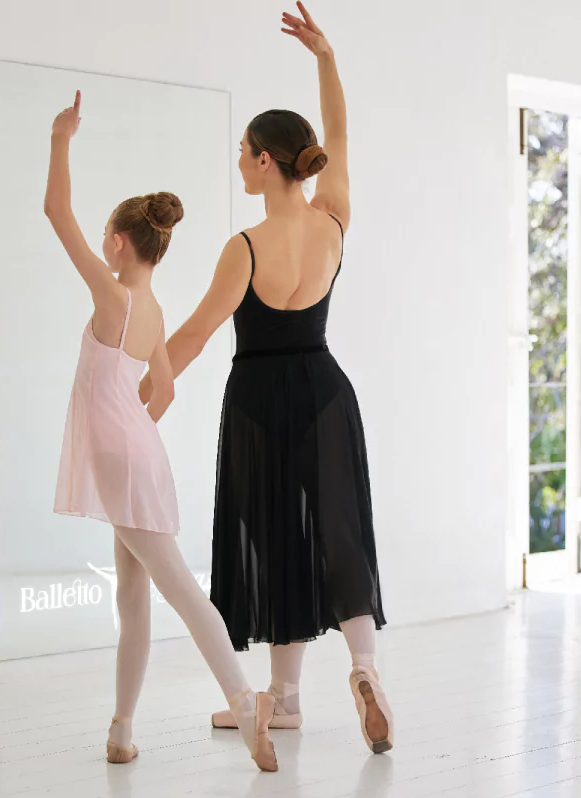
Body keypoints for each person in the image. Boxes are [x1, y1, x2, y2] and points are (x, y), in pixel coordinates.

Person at [140, 3, 392, 754]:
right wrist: (326, 57)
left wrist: (137, 397)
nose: (239, 161)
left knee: (278, 538)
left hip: (258, 400)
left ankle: (284, 696)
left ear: (265, 162)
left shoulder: (244, 247)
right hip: (326, 391)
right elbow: (340, 133)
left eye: (244, 151)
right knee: (339, 531)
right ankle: (358, 671)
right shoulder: (332, 220)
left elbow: (192, 336)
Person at [46, 91, 279, 771]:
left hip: (125, 456)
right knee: (133, 595)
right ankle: (121, 730)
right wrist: (129, 430)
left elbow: (55, 211)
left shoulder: (112, 295)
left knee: (176, 587)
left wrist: (61, 138)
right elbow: (166, 390)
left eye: (105, 234)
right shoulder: (150, 311)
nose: (101, 242)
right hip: (137, 450)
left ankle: (245, 702)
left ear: (119, 241)